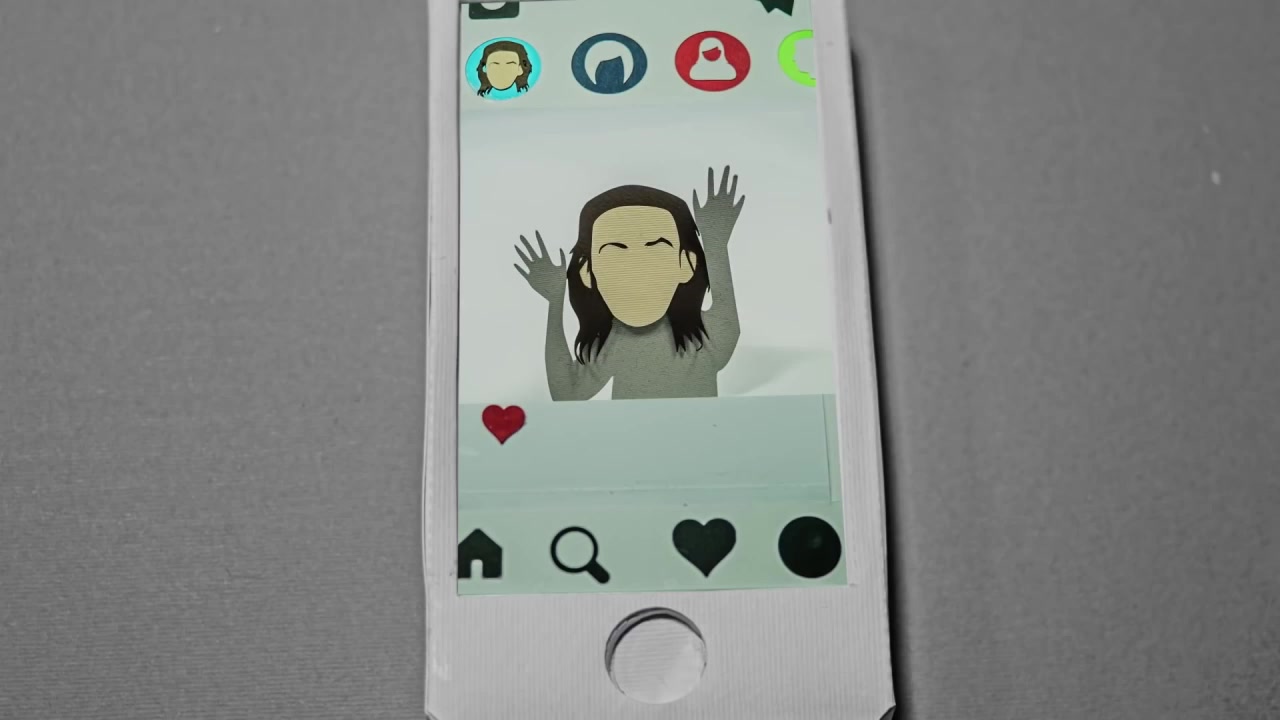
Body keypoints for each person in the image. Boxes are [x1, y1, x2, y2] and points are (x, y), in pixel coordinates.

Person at [514, 167, 745, 401]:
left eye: (655, 246)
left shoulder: (703, 336)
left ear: (686, 264)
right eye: (616, 250)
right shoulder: (612, 341)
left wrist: (715, 242)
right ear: (588, 273)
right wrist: (555, 300)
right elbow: (567, 392)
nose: (637, 263)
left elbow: (727, 323)